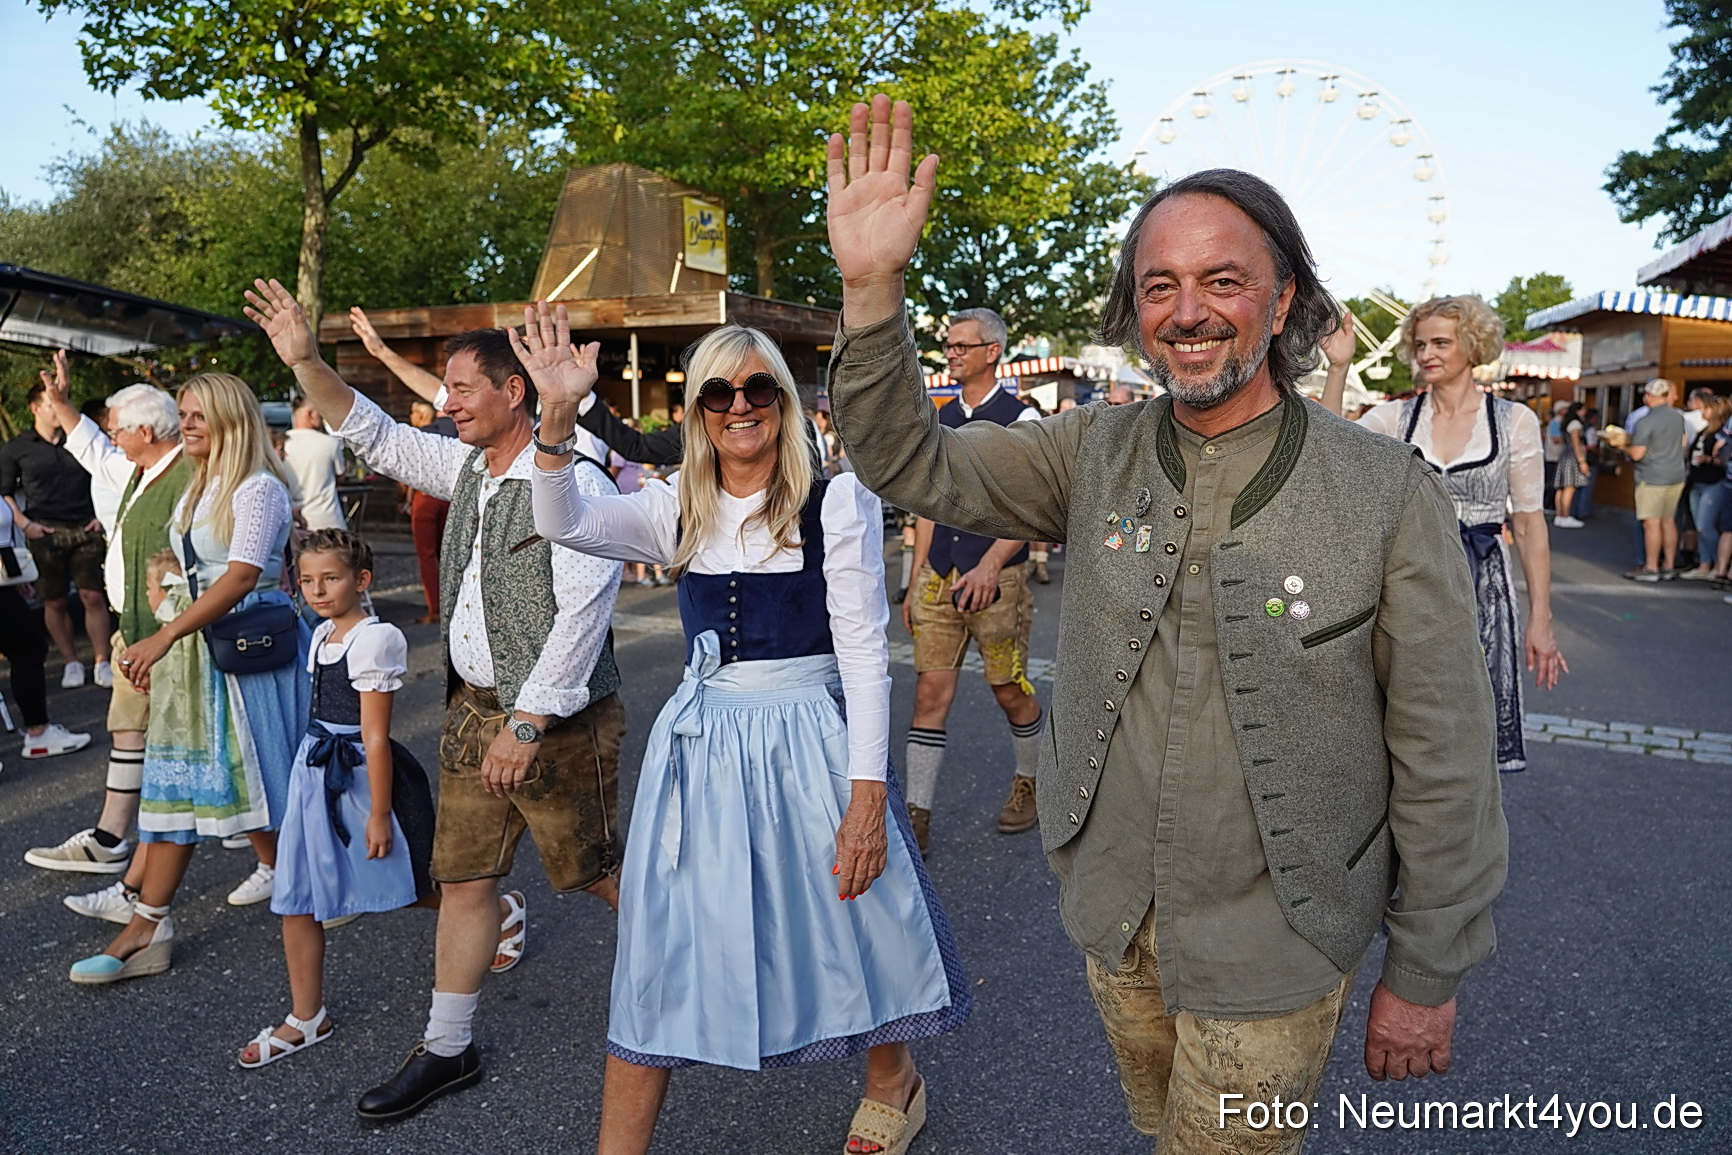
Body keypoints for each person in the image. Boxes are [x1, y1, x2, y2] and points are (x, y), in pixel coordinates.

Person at [825, 97, 1508, 1152]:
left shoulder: (1382, 492)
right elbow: (910, 463)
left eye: (1222, 282)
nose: (1188, 312)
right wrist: (871, 292)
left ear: (1283, 304)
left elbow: (1444, 752)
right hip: (1112, 921)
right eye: (1160, 287)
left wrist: (1426, 970)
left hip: (1279, 943)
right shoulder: (1086, 450)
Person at [519, 305, 970, 1155]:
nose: (739, 404)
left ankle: (892, 1078)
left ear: (784, 403)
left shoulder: (835, 504)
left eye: (758, 386)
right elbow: (562, 520)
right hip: (703, 748)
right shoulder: (672, 507)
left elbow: (867, 652)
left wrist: (868, 795)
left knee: (852, 912)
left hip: (810, 735)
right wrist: (554, 416)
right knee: (660, 944)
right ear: (696, 413)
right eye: (717, 392)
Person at [248, 278, 626, 1123]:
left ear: (513, 391)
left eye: (460, 388)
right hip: (471, 712)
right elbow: (371, 432)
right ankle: (447, 1047)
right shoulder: (467, 467)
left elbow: (587, 605)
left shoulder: (576, 474)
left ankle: (691, 979)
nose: (445, 403)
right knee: (462, 881)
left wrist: (527, 721)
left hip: (554, 719)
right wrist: (306, 360)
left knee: (598, 871)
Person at [69, 372, 312, 984]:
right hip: (196, 657)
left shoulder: (257, 488)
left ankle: (454, 902)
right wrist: (159, 638)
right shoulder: (201, 485)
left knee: (265, 787)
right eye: (185, 413)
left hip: (240, 656)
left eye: (201, 414)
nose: (190, 423)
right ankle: (150, 921)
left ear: (233, 419)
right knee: (179, 790)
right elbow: (187, 571)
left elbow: (239, 577)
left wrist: (166, 636)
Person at [237, 528, 435, 1069]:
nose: (317, 590)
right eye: (306, 580)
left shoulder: (375, 639)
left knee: (399, 882)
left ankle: (495, 909)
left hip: (358, 774)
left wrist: (378, 813)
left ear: (361, 580)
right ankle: (306, 1016)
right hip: (316, 767)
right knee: (295, 891)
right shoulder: (322, 634)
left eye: (331, 578)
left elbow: (373, 735)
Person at [1350, 295, 1566, 772]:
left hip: (1483, 589)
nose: (1426, 353)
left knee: (1473, 732)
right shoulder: (1394, 419)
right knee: (1406, 719)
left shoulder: (1515, 422)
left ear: (1473, 345)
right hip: (1410, 584)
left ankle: (1467, 838)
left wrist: (1541, 619)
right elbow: (1325, 450)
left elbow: (1530, 525)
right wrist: (1339, 364)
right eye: (1420, 343)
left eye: (1441, 342)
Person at [24, 360, 189, 887]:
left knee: (196, 749)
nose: (109, 435)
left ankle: (289, 864)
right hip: (137, 627)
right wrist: (61, 403)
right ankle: (114, 846)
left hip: (171, 632)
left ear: (145, 431)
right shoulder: (132, 466)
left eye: (116, 427)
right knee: (132, 730)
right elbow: (88, 441)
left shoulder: (187, 474)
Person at [900, 307, 1046, 855]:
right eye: (949, 345)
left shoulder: (1023, 417)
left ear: (993, 352)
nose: (952, 353)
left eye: (963, 345)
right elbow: (927, 506)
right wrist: (915, 579)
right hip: (940, 577)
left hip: (997, 581)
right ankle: (918, 813)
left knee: (1007, 690)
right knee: (929, 695)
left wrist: (989, 565)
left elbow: (1037, 509)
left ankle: (1029, 781)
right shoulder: (939, 418)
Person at [1, 374, 114, 689]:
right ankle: (70, 662)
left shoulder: (79, 439)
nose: (59, 409)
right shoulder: (16, 449)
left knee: (93, 595)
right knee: (55, 601)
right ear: (35, 408)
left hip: (86, 525)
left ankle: (102, 661)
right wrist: (26, 525)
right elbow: (5, 492)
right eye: (51, 403)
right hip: (45, 531)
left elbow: (103, 472)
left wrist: (99, 515)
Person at [1625, 378, 1689, 582]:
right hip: (1676, 474)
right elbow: (1683, 443)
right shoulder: (1678, 417)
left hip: (1652, 476)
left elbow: (1636, 454)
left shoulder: (1646, 421)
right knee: (1668, 521)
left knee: (1651, 523)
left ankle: (1651, 567)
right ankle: (1669, 565)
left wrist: (1620, 446)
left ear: (1650, 396)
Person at [405, 399, 455, 623]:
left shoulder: (419, 437)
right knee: (447, 551)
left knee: (427, 555)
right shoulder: (448, 433)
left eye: (413, 413)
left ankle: (435, 608)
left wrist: (406, 499)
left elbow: (410, 474)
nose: (411, 417)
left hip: (424, 497)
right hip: (446, 496)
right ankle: (452, 603)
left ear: (421, 415)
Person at [1681, 395, 1732, 580]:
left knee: (1705, 525)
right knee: (1698, 524)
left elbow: (1725, 460)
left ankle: (1718, 563)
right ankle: (1704, 564)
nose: (1702, 412)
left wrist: (1708, 459)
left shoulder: (1721, 432)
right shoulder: (1704, 430)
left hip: (1714, 482)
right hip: (1697, 481)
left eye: (1706, 408)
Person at [283, 397, 349, 531]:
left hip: (294, 520)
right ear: (310, 414)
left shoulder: (282, 444)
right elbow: (340, 477)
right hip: (328, 520)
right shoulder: (329, 443)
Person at [1552, 402, 1590, 529]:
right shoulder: (1576, 424)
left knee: (1561, 488)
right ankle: (1565, 516)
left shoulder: (1565, 422)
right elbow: (1576, 443)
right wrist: (1582, 461)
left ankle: (1559, 516)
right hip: (1572, 457)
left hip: (1564, 454)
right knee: (1569, 487)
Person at [1542, 398, 1568, 512]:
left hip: (1555, 456)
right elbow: (1556, 439)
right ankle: (1548, 505)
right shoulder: (1556, 423)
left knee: (1553, 482)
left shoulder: (1558, 422)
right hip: (1554, 456)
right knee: (1552, 482)